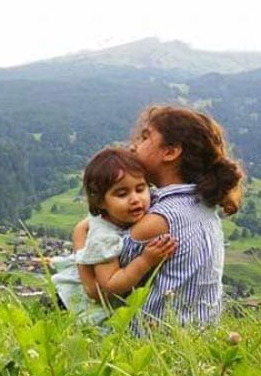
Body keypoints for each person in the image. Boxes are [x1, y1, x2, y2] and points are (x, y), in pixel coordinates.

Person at [94, 104, 244, 331]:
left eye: (145, 138)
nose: (133, 146)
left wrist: (82, 236)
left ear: (170, 152)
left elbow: (106, 285)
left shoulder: (159, 220)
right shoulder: (203, 204)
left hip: (155, 339)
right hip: (200, 335)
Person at [47, 146, 176, 325]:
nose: (135, 199)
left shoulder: (131, 210)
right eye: (122, 194)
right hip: (71, 305)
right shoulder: (103, 237)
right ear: (100, 201)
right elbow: (109, 286)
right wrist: (145, 261)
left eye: (140, 189)